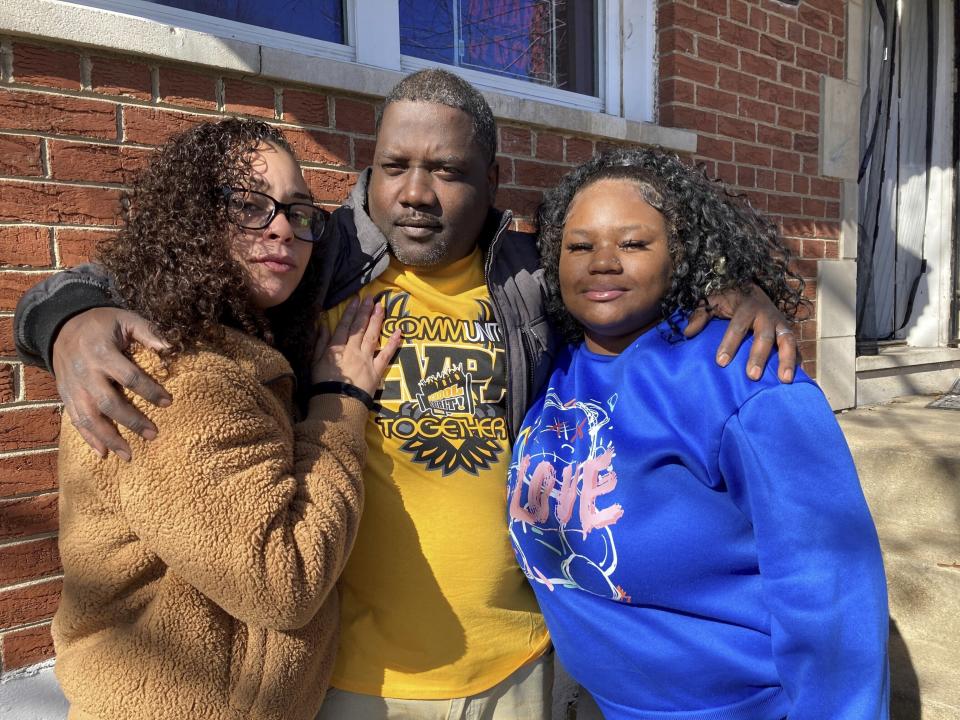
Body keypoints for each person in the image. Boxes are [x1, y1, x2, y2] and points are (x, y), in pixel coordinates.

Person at [17, 70, 800, 718]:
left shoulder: (534, 278)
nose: (416, 194)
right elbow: (175, 265)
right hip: (354, 677)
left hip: (518, 659)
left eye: (448, 171)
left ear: (491, 182)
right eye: (394, 167)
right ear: (370, 170)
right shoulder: (319, 258)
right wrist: (69, 316)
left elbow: (633, 280)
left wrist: (735, 286)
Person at [507, 148, 889, 720]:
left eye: (633, 243)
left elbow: (833, 596)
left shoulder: (748, 377)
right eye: (579, 246)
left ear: (680, 254)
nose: (603, 262)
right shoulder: (553, 364)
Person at [51, 117, 401, 720]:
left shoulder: (235, 342)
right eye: (249, 205)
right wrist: (340, 400)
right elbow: (282, 579)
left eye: (299, 212)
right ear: (191, 220)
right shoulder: (177, 374)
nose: (284, 228)